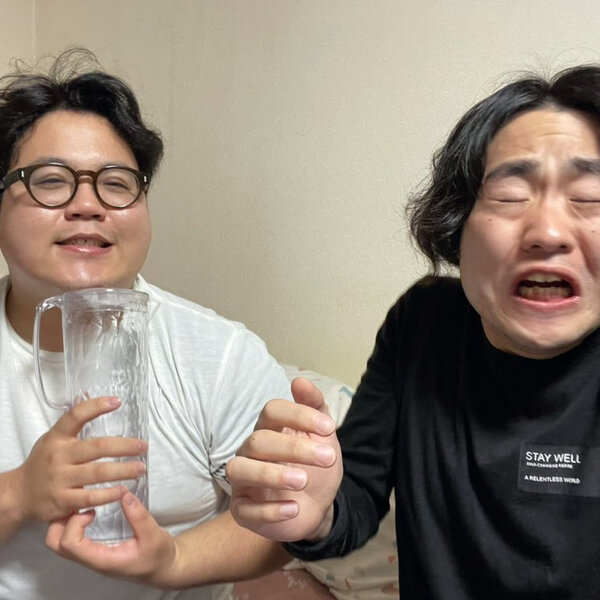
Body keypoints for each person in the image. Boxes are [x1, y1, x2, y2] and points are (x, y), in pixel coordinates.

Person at [226, 64, 600, 599]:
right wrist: (315, 510)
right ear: (457, 227)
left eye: (590, 195)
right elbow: (355, 496)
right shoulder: (424, 324)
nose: (547, 232)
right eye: (510, 195)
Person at [0, 48, 293, 599]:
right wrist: (19, 494)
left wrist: (174, 561)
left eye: (116, 183)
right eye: (51, 180)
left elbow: (283, 520)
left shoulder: (221, 355)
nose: (88, 204)